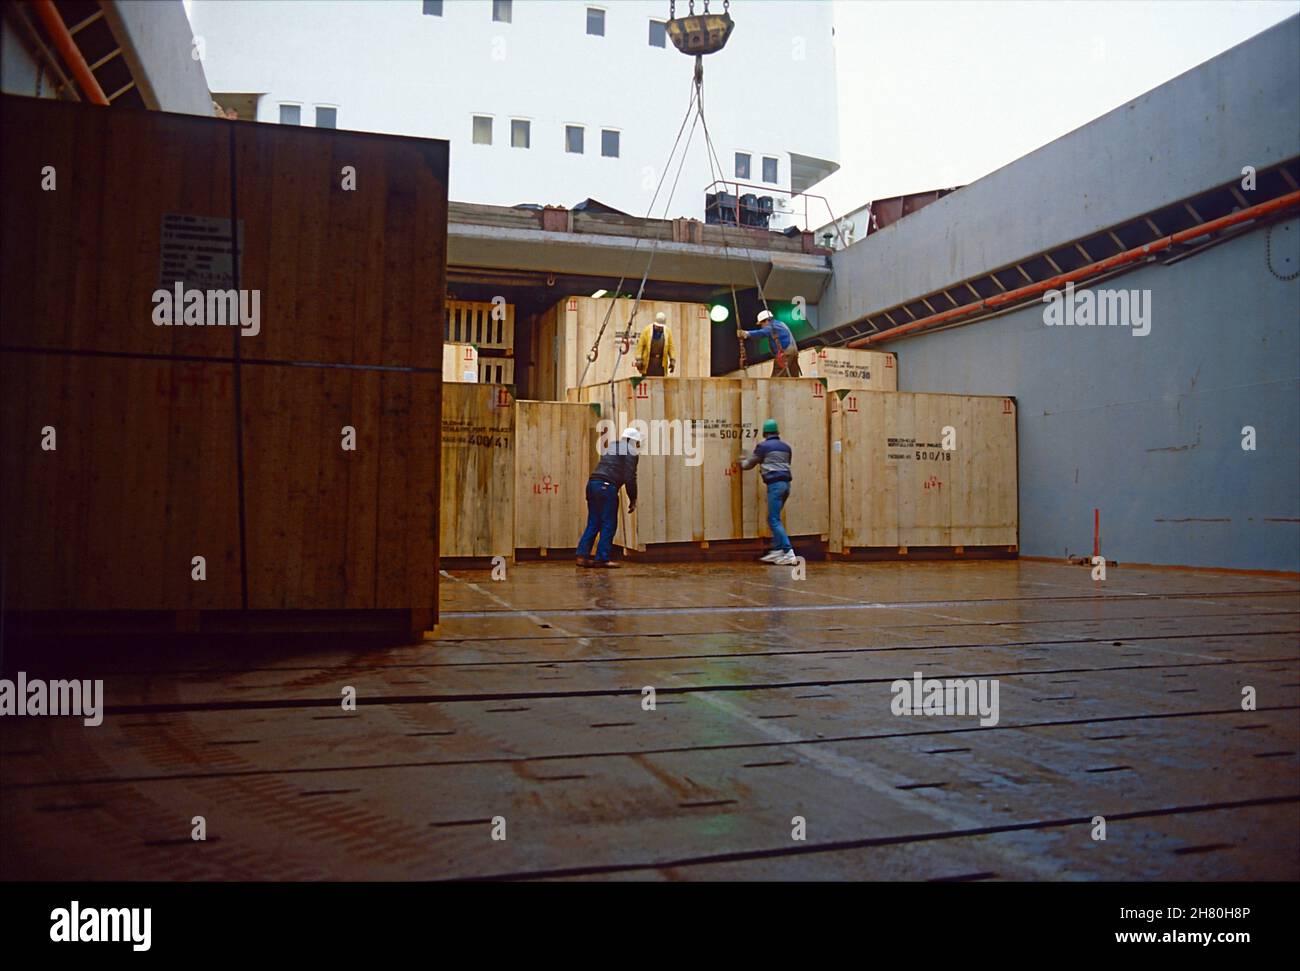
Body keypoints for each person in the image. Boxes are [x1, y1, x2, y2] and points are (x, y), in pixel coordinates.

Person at [576, 427, 641, 568]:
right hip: (607, 487)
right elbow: (630, 477)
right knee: (608, 523)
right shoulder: (631, 450)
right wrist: (633, 498)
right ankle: (602, 559)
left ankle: (582, 556)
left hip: (592, 484)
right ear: (633, 441)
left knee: (594, 522)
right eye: (637, 443)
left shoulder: (613, 446)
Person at [738, 418, 797, 565]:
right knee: (774, 517)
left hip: (775, 486)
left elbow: (748, 465)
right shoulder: (786, 447)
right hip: (786, 485)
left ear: (765, 433)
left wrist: (740, 461)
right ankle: (777, 551)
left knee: (773, 519)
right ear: (777, 432)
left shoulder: (763, 447)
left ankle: (788, 552)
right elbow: (785, 464)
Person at [737, 309, 801, 377]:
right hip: (794, 352)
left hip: (785, 352)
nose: (762, 326)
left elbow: (761, 333)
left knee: (777, 377)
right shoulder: (780, 324)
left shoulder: (772, 326)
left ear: (766, 321)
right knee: (793, 376)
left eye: (761, 324)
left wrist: (746, 333)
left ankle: (773, 387)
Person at [633, 312, 677, 377]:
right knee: (647, 380)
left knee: (660, 382)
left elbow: (671, 347)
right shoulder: (647, 330)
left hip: (660, 363)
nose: (659, 328)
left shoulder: (667, 332)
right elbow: (640, 345)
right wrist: (639, 359)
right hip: (649, 362)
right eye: (657, 326)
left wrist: (672, 360)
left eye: (660, 327)